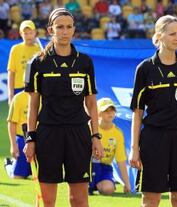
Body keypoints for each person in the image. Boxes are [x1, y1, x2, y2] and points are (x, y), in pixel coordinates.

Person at [23, 8, 104, 207]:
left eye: (69, 27)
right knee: (46, 201)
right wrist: (30, 138)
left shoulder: (85, 62)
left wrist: (96, 136)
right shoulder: (38, 63)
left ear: (74, 30)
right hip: (48, 133)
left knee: (79, 200)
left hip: (78, 134)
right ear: (50, 29)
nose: (65, 31)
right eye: (60, 27)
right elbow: (33, 106)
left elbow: (91, 103)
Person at [129, 15, 177, 207]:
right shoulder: (145, 69)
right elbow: (137, 113)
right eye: (172, 34)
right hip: (154, 139)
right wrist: (134, 149)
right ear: (159, 36)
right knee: (151, 198)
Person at [89, 97, 131, 195]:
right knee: (83, 191)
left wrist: (127, 183)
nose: (110, 113)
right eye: (106, 111)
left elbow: (121, 160)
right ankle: (90, 184)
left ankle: (98, 184)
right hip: (89, 166)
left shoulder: (118, 133)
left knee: (108, 190)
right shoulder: (90, 128)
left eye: (112, 110)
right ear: (98, 113)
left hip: (105, 167)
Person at [7, 20, 41, 104]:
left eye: (30, 33)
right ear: (20, 33)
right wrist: (10, 94)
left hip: (35, 88)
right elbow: (11, 72)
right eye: (25, 33)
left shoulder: (40, 49)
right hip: (19, 88)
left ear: (35, 33)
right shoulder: (15, 49)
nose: (28, 36)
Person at [5, 91, 31, 179]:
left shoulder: (44, 96)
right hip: (22, 139)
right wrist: (13, 145)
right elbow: (12, 122)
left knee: (46, 176)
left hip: (41, 139)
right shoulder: (18, 98)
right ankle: (9, 165)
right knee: (18, 177)